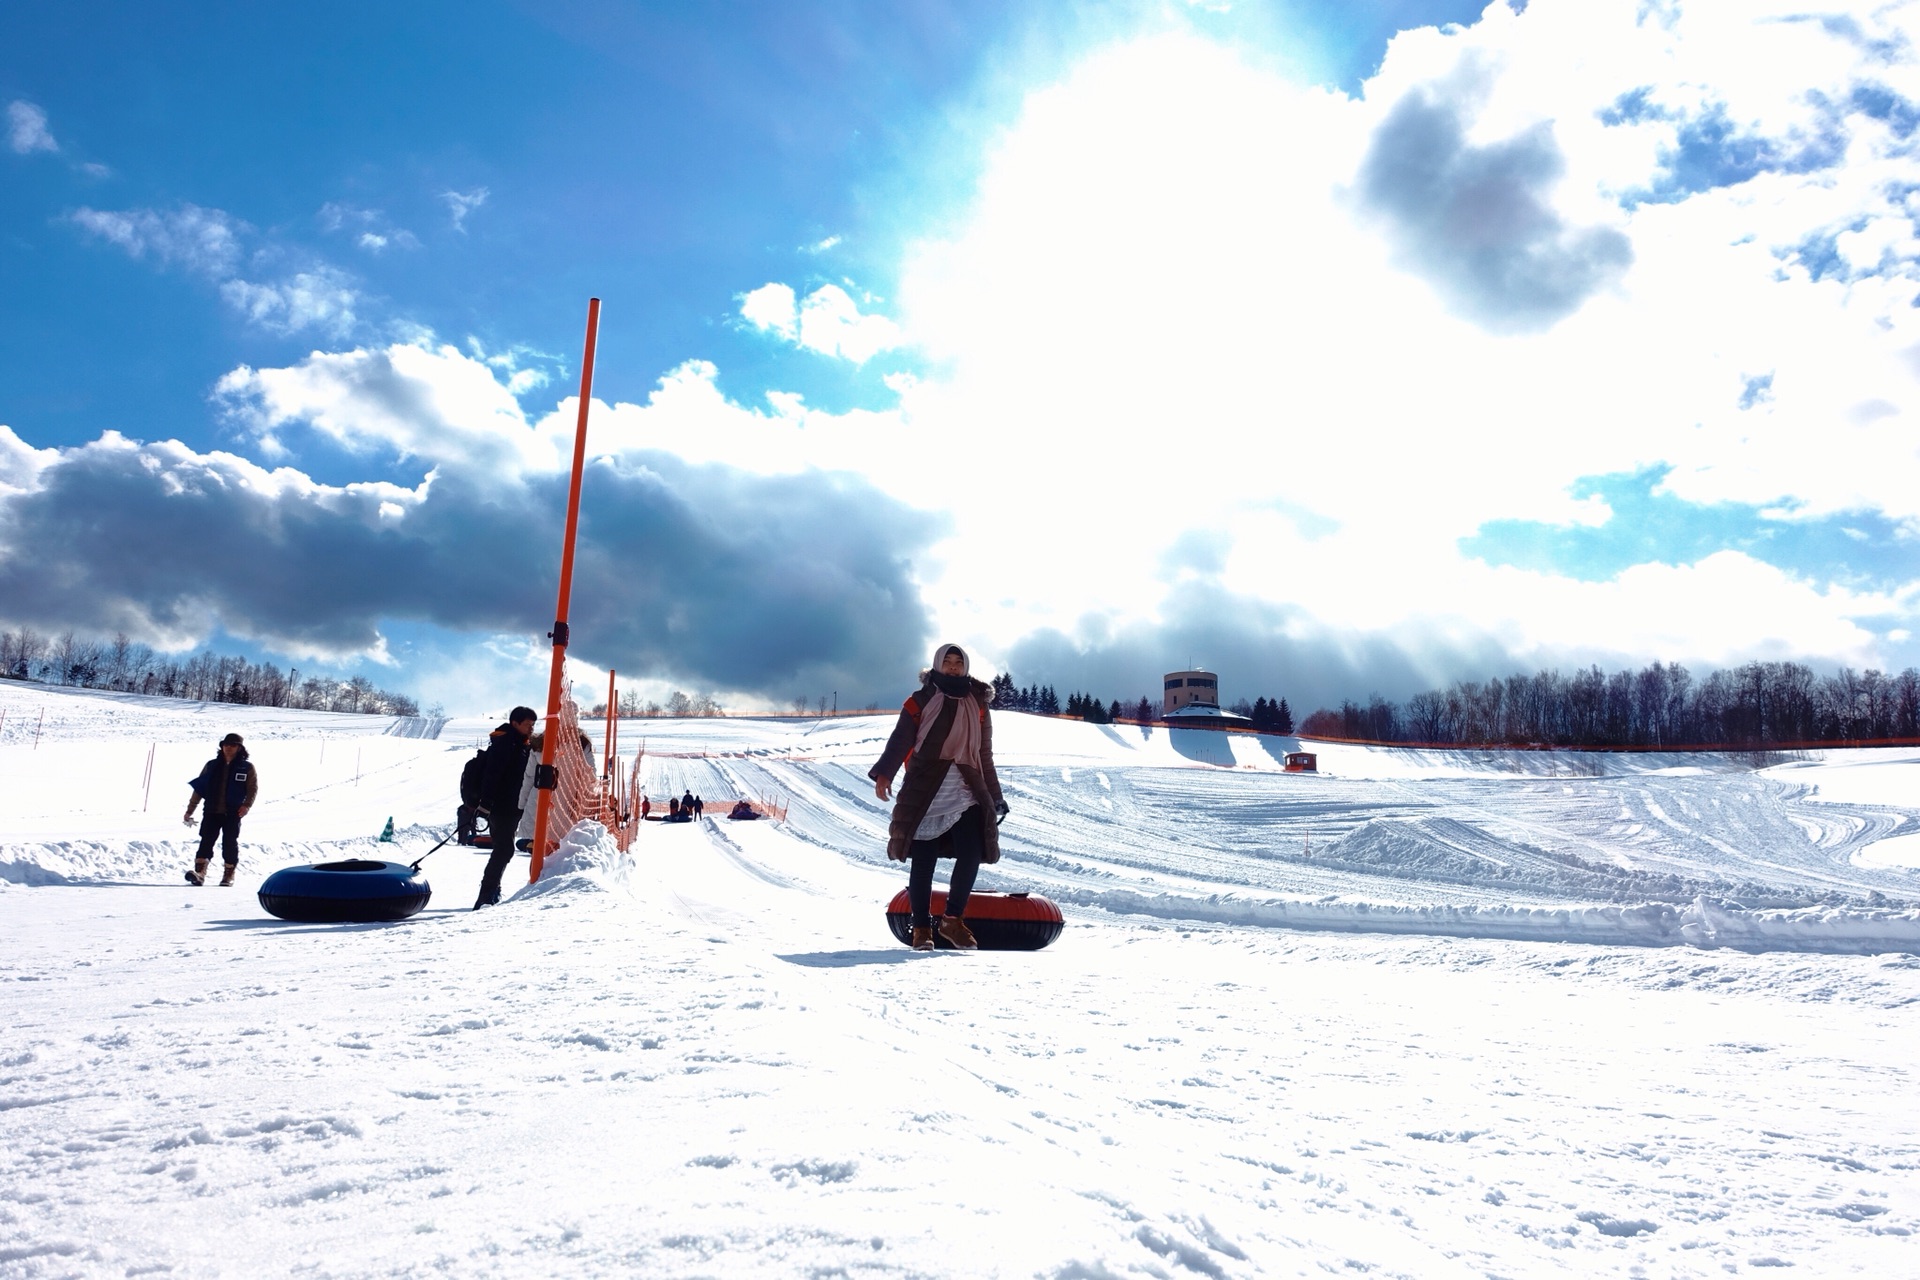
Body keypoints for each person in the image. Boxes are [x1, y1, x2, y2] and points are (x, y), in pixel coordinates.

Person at [870, 643, 1009, 950]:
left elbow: (983, 754)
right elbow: (901, 739)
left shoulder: (979, 704)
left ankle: (952, 920)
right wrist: (884, 773)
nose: (953, 667)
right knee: (923, 861)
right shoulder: (920, 701)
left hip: (966, 786)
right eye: (947, 661)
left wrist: (994, 795)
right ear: (936, 665)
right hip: (927, 786)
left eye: (959, 662)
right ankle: (921, 928)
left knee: (972, 852)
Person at [475, 706, 537, 909]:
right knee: (504, 849)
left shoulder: (519, 743)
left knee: (505, 849)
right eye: (528, 724)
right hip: (502, 806)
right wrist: (486, 803)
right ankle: (486, 895)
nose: (531, 728)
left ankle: (491, 892)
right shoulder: (505, 744)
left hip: (512, 804)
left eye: (533, 724)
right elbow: (492, 774)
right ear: (515, 723)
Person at [183, 732, 258, 886]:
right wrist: (190, 810)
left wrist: (246, 805)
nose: (228, 748)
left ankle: (228, 875)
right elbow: (199, 788)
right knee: (206, 840)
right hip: (212, 809)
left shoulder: (246, 767)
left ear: (239, 748)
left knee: (230, 842)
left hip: (233, 811)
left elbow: (252, 788)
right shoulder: (212, 765)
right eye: (226, 745)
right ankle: (200, 874)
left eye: (232, 745)